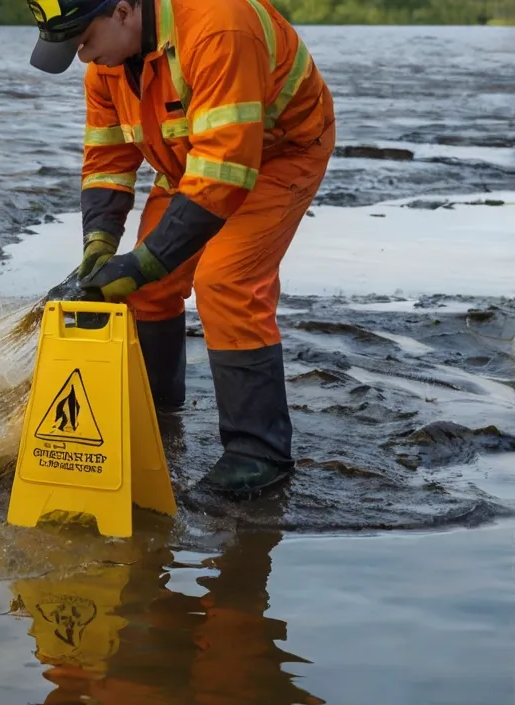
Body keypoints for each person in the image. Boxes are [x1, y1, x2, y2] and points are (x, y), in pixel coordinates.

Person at [25, 0, 336, 495]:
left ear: (124, 11)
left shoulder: (218, 28)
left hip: (278, 153)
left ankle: (259, 455)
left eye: (82, 41)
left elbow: (226, 170)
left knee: (225, 282)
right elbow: (107, 160)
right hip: (194, 160)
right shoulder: (108, 63)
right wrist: (99, 247)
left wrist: (143, 261)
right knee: (148, 287)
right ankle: (157, 412)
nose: (82, 57)